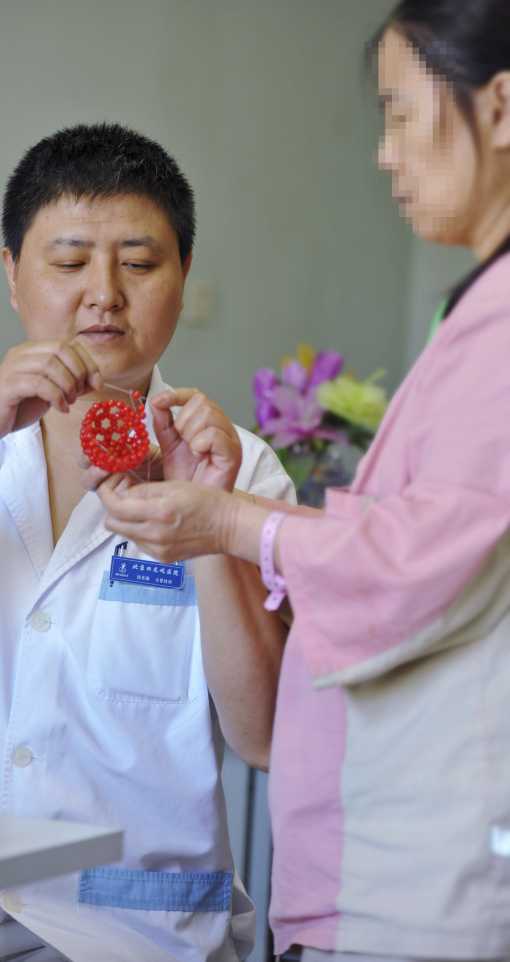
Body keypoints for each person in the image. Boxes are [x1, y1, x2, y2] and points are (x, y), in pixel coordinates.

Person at [97, 2, 510, 960]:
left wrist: (231, 526)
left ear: (499, 109)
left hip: (409, 884)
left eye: (402, 113)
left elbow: (416, 558)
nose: (384, 152)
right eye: (69, 259)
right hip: (356, 876)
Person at [0, 122, 296, 962]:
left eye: (139, 264)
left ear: (181, 279)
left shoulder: (240, 468)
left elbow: (264, 735)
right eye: (69, 263)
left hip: (129, 933)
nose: (104, 293)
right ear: (12, 273)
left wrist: (207, 515)